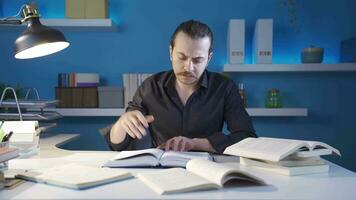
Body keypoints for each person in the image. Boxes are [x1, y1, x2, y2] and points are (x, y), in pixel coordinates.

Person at [106, 20, 257, 153]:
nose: (188, 67)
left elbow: (247, 138)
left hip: (208, 169)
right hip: (160, 169)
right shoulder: (151, 86)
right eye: (182, 57)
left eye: (197, 60)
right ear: (171, 52)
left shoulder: (224, 87)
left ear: (209, 58)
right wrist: (121, 123)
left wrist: (195, 144)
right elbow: (117, 145)